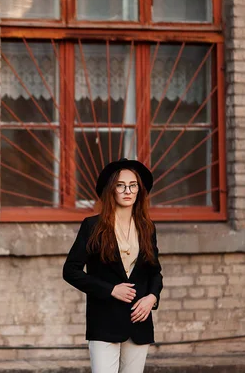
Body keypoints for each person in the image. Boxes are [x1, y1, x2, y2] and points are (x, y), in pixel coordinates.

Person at [63, 158, 163, 373]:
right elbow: (70, 271)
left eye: (133, 185)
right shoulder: (93, 226)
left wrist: (152, 298)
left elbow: (155, 272)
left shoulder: (147, 228)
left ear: (139, 191)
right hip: (104, 321)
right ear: (111, 190)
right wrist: (111, 290)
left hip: (139, 322)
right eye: (120, 185)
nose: (127, 190)